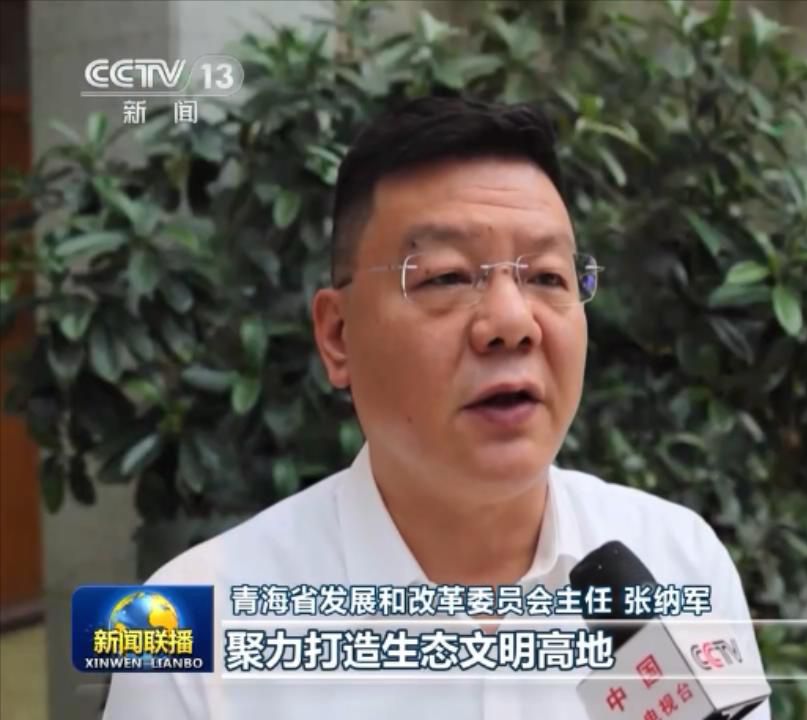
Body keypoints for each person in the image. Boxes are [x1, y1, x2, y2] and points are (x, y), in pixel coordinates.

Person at [103, 96, 768, 719]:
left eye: (547, 277)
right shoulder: (191, 628)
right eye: (447, 277)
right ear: (338, 336)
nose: (512, 323)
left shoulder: (678, 561)